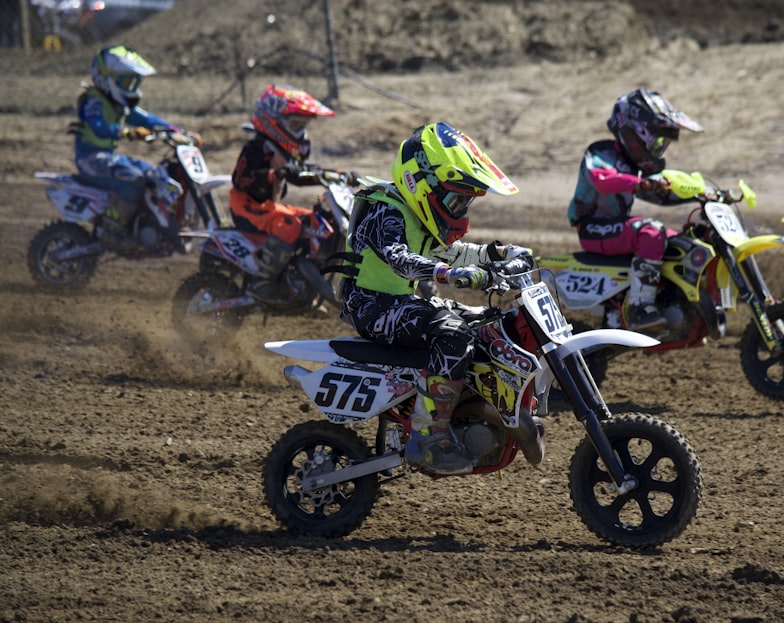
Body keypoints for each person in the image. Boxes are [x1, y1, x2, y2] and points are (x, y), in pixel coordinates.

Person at [340, 122, 528, 475]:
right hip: (370, 305)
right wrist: (446, 275)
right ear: (419, 183)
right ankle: (428, 437)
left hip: (395, 304)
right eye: (456, 201)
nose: (460, 212)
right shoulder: (387, 210)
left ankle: (468, 409)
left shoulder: (414, 215)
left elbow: (454, 253)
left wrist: (500, 253)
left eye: (465, 203)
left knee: (481, 319)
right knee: (453, 333)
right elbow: (398, 257)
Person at [567, 87, 703, 332]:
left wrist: (704, 194)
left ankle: (674, 302)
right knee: (651, 231)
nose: (660, 149)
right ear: (637, 132)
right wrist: (640, 183)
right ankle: (639, 308)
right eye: (659, 141)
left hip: (616, 228)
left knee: (683, 242)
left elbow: (661, 193)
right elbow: (602, 179)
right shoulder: (601, 152)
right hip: (592, 228)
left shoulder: (634, 166)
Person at [230, 83, 349, 305]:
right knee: (291, 225)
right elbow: (240, 179)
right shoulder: (256, 147)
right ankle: (261, 283)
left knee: (316, 223)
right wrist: (274, 174)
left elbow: (297, 176)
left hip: (267, 207)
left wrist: (336, 175)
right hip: (246, 206)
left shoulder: (279, 149)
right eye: (296, 125)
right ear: (271, 120)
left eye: (303, 127)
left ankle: (304, 285)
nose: (301, 133)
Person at [72, 45, 195, 250]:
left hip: (107, 158)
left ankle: (145, 224)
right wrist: (126, 132)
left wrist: (178, 131)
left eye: (135, 82)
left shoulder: (116, 102)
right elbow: (99, 126)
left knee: (154, 173)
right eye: (127, 82)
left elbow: (146, 119)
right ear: (107, 77)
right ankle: (112, 231)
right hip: (90, 160)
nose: (131, 88)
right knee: (133, 179)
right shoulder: (94, 100)